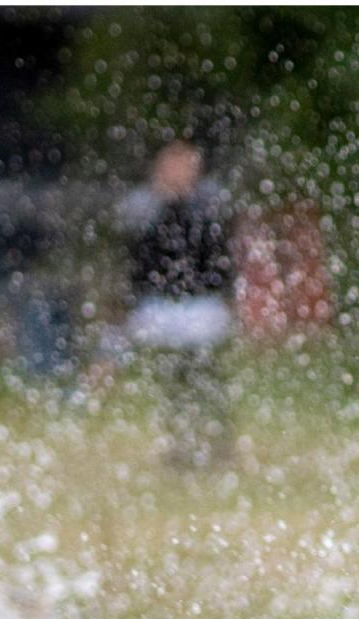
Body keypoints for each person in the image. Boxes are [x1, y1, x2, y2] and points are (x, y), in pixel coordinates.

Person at [115, 141, 237, 468]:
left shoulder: (209, 204)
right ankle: (177, 444)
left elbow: (219, 257)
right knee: (172, 379)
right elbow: (136, 260)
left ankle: (217, 442)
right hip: (161, 305)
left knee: (206, 375)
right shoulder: (145, 207)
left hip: (201, 304)